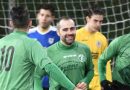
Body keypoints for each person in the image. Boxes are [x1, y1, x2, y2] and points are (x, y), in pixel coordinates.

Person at [0, 6, 82, 90]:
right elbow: (50, 67)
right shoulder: (31, 44)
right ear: (30, 23)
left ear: (11, 23)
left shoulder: (1, 42)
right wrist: (73, 88)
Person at [46, 16, 94, 90]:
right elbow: (37, 76)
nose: (70, 32)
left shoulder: (85, 49)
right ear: (58, 32)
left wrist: (85, 81)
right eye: (65, 30)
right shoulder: (49, 52)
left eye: (72, 29)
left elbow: (90, 70)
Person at [75, 6, 112, 90]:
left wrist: (107, 81)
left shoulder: (102, 39)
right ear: (87, 19)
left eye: (100, 21)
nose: (98, 24)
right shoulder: (76, 36)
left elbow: (106, 63)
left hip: (97, 83)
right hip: (80, 82)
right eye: (95, 21)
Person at [28, 4, 60, 90]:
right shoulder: (29, 34)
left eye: (47, 16)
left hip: (52, 81)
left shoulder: (57, 34)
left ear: (53, 17)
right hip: (32, 82)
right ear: (37, 15)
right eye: (42, 15)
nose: (44, 18)